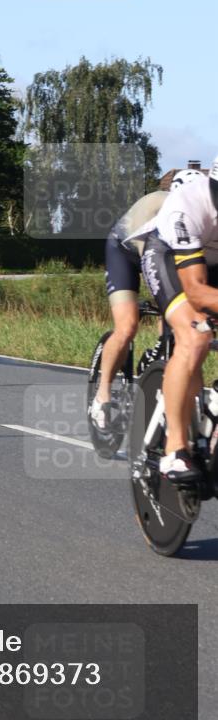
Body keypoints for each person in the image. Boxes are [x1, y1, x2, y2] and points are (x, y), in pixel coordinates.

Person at [89, 166, 204, 432]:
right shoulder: (158, 206)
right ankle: (102, 395)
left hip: (167, 257)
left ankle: (161, 363)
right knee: (127, 326)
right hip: (127, 252)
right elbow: (156, 268)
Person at [133, 156, 218, 482]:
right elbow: (196, 291)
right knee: (195, 335)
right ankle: (175, 450)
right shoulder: (188, 204)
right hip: (169, 256)